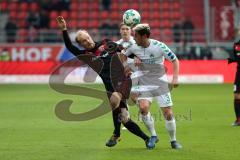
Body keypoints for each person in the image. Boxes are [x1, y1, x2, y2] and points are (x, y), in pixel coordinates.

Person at [56, 16, 152, 148]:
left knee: (114, 101)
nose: (87, 41)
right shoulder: (86, 56)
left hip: (123, 81)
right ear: (81, 44)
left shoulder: (106, 43)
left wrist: (135, 57)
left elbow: (123, 50)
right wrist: (64, 29)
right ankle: (147, 139)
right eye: (83, 41)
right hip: (110, 87)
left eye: (87, 38)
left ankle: (116, 134)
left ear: (90, 36)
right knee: (124, 118)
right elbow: (70, 46)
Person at [123, 23, 182, 149]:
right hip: (143, 82)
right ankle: (153, 136)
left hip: (159, 82)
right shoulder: (133, 47)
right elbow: (122, 56)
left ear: (144, 36)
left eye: (136, 36)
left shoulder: (159, 46)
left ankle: (173, 140)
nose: (134, 38)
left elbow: (175, 60)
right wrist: (130, 63)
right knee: (143, 109)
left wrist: (175, 78)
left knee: (168, 113)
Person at [229, 40, 240, 126]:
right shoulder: (236, 45)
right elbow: (235, 58)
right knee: (236, 95)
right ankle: (238, 120)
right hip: (239, 72)